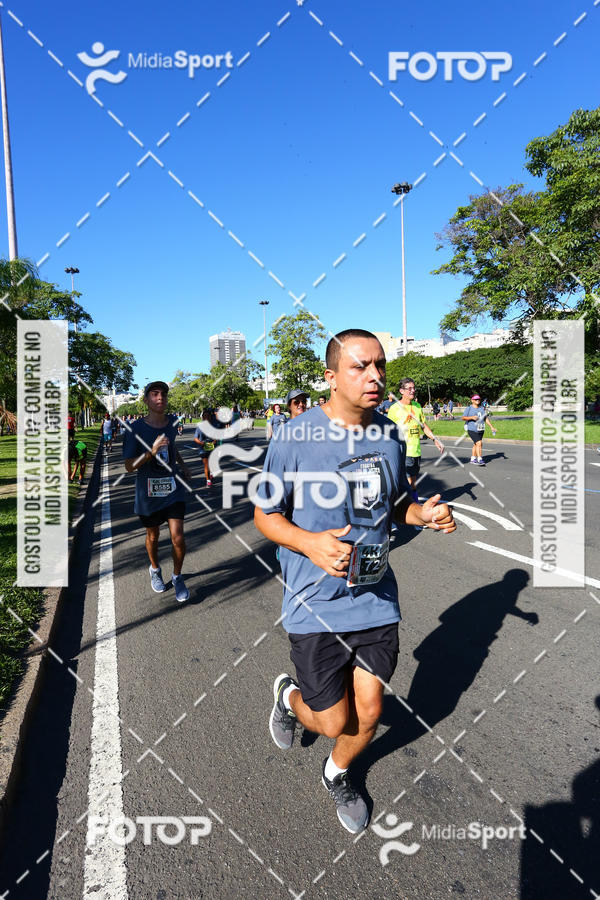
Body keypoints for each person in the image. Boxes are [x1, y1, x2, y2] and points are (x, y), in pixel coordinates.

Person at [254, 329, 455, 834]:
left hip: (375, 596)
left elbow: (395, 505)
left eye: (380, 365)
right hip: (315, 602)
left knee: (368, 713)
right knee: (331, 721)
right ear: (331, 377)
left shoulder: (389, 433)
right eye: (360, 366)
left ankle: (337, 771)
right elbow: (265, 515)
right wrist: (310, 543)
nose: (375, 376)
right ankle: (289, 697)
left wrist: (422, 515)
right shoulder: (293, 437)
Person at [122, 381, 192, 602]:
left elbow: (171, 446)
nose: (160, 397)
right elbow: (129, 466)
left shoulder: (172, 423)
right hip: (148, 494)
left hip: (172, 489)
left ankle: (177, 576)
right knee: (153, 536)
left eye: (163, 394)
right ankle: (155, 569)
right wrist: (151, 452)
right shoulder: (135, 428)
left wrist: (182, 465)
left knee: (178, 537)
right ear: (146, 400)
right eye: (154, 394)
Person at [387, 378, 444, 500]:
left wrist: (435, 439)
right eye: (409, 388)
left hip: (415, 451)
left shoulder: (417, 406)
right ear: (401, 391)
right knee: (407, 481)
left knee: (413, 482)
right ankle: (410, 504)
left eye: (414, 388)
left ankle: (412, 500)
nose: (413, 390)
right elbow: (388, 431)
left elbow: (424, 426)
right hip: (402, 451)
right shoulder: (394, 408)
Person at [462, 394, 497, 465]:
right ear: (472, 400)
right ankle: (480, 459)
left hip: (481, 429)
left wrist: (491, 427)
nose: (477, 400)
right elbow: (463, 418)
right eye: (476, 399)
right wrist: (471, 417)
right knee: (479, 443)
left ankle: (473, 459)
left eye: (478, 399)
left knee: (476, 444)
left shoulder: (481, 409)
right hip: (472, 429)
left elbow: (485, 418)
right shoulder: (469, 408)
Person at [193, 410, 215, 486]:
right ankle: (208, 480)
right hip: (203, 449)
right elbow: (195, 438)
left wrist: (214, 441)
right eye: (205, 416)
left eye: (208, 416)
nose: (206, 418)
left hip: (212, 448)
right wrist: (201, 443)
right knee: (206, 465)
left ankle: (210, 473)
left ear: (210, 417)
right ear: (202, 417)